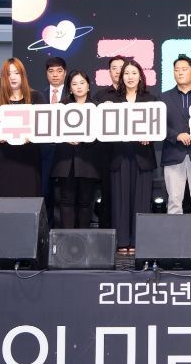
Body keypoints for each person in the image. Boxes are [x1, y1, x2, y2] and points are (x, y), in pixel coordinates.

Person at [103, 60, 157, 252]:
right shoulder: (111, 100)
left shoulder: (151, 100)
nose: (130, 77)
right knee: (120, 200)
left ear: (140, 76)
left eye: (134, 73)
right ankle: (122, 241)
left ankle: (138, 241)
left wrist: (150, 135)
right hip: (119, 156)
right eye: (126, 73)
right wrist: (105, 110)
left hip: (142, 156)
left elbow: (158, 127)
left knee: (141, 201)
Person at [160, 55, 191, 214]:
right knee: (174, 201)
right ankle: (174, 231)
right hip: (173, 153)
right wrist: (176, 135)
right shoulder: (163, 97)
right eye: (176, 70)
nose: (180, 72)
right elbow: (158, 125)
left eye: (184, 69)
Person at [51, 70, 99, 229]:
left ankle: (83, 238)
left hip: (88, 160)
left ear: (88, 86)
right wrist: (65, 137)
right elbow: (52, 132)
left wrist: (86, 138)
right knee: (66, 200)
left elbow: (102, 135)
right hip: (66, 161)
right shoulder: (61, 106)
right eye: (74, 84)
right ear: (70, 88)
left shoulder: (96, 107)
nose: (79, 87)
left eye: (82, 83)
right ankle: (67, 238)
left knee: (86, 201)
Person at [0, 58, 45, 198]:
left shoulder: (36, 97)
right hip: (5, 155)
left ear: (23, 75)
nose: (13, 77)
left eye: (16, 73)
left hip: (29, 155)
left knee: (30, 194)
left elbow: (43, 123)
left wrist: (33, 135)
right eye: (8, 74)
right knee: (6, 195)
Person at [93, 55, 127, 227]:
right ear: (109, 71)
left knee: (127, 195)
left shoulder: (136, 94)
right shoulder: (100, 96)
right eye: (114, 68)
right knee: (107, 194)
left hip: (129, 153)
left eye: (121, 68)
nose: (118, 71)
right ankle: (106, 234)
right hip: (107, 153)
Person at [39, 57, 66, 228]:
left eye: (59, 71)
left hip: (67, 150)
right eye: (51, 71)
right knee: (45, 192)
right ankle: (46, 231)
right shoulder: (38, 96)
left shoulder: (73, 95)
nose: (55, 75)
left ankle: (65, 231)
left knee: (66, 194)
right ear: (46, 73)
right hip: (44, 151)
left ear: (65, 72)